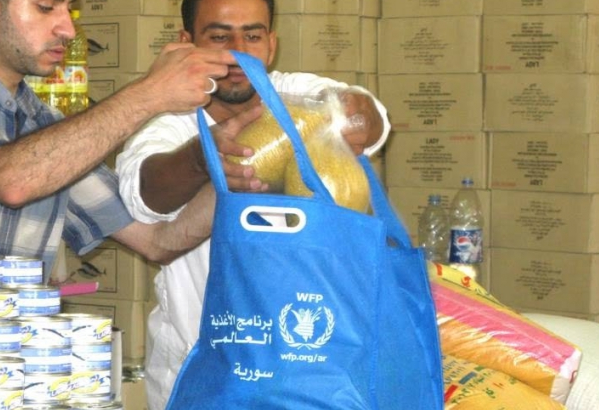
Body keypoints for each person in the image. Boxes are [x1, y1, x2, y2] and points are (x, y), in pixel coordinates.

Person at [114, 0, 391, 408]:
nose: (239, 52)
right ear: (187, 42)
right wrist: (201, 159)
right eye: (220, 36)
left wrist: (359, 113)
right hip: (204, 372)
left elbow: (369, 114)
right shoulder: (168, 120)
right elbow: (143, 193)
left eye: (253, 36)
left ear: (272, 44)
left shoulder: (296, 95)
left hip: (309, 365)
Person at [0, 0, 250, 279]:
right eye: (46, 8)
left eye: (68, 9)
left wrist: (233, 171)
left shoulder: (42, 123)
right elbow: (11, 180)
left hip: (3, 354)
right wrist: (149, 94)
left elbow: (158, 241)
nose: (68, 29)